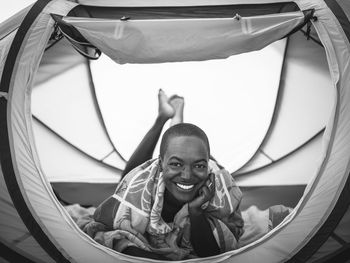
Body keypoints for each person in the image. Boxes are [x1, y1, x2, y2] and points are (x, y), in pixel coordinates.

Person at [90, 89, 244, 260]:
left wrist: (196, 212)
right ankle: (163, 118)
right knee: (130, 180)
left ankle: (177, 126)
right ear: (160, 164)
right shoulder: (140, 182)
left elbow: (214, 255)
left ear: (208, 166)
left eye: (200, 165)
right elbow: (114, 236)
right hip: (147, 174)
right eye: (176, 164)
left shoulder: (220, 184)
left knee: (187, 152)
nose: (186, 175)